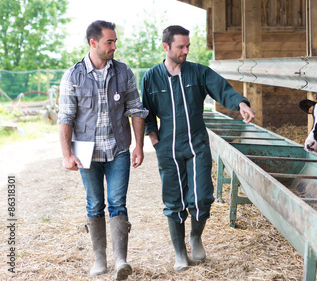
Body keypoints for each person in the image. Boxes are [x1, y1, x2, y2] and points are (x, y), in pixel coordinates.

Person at [141, 25, 255, 271]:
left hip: (197, 145)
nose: (186, 51)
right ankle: (180, 253)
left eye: (188, 46)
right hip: (168, 148)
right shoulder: (151, 77)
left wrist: (241, 103)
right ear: (166, 47)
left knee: (202, 196)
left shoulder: (198, 73)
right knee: (174, 202)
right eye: (181, 46)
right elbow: (146, 114)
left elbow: (223, 89)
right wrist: (154, 142)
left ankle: (195, 236)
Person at [58, 20, 148, 280]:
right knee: (94, 204)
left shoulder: (124, 72)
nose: (114, 46)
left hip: (118, 149)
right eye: (110, 41)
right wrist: (67, 155)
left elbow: (136, 110)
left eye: (115, 41)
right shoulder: (73, 76)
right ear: (93, 43)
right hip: (87, 154)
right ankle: (100, 260)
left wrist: (139, 145)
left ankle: (121, 260)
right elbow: (65, 117)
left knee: (118, 203)